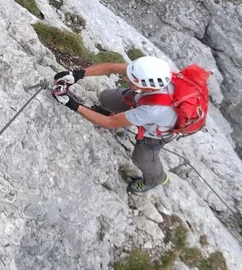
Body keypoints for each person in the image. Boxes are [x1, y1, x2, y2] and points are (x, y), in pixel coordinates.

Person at [51, 56, 179, 194]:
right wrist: (76, 74)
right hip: (142, 100)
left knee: (141, 158)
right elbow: (112, 67)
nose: (125, 79)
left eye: (131, 81)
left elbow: (109, 123)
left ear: (146, 88)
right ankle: (123, 118)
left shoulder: (154, 110)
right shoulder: (152, 73)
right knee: (106, 97)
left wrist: (72, 104)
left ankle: (156, 179)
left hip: (157, 132)